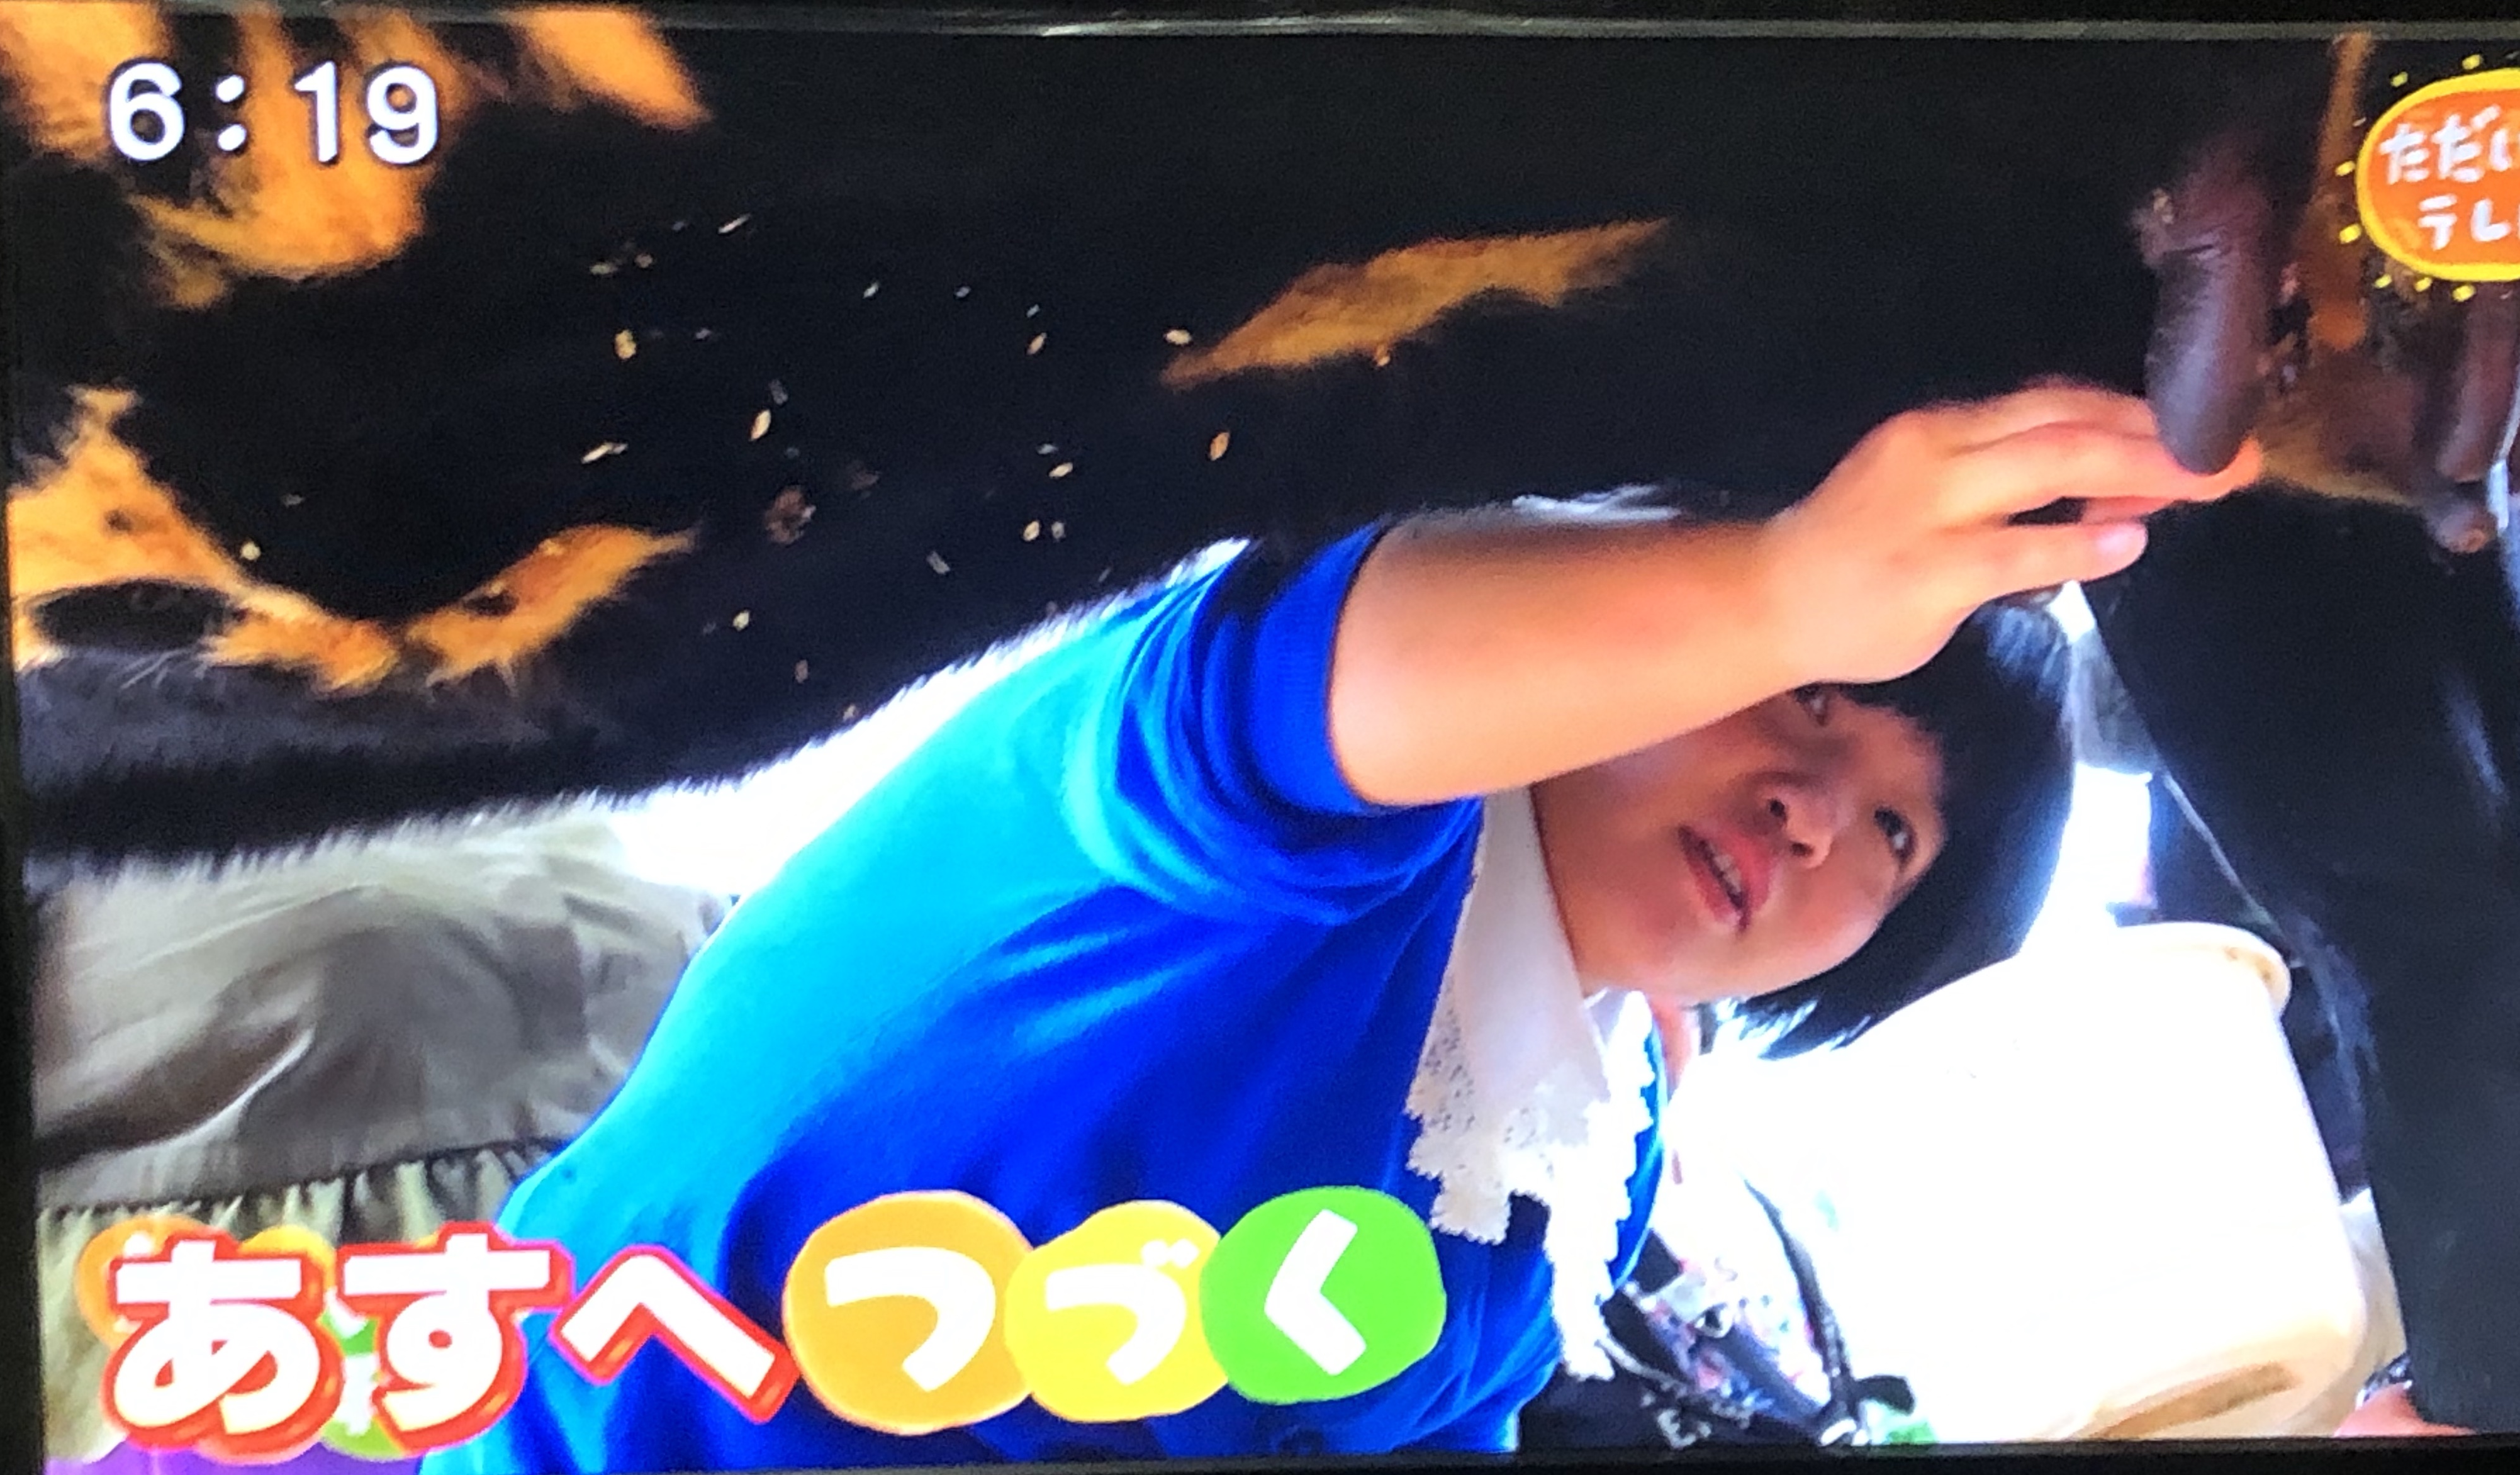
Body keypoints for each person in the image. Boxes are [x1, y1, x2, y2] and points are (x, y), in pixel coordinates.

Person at [428, 384, 2258, 1472]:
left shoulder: (1582, 1162)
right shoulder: (1293, 815)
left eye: (1897, 834)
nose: (1812, 813)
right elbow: (1307, 667)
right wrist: (1788, 587)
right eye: (1814, 700)